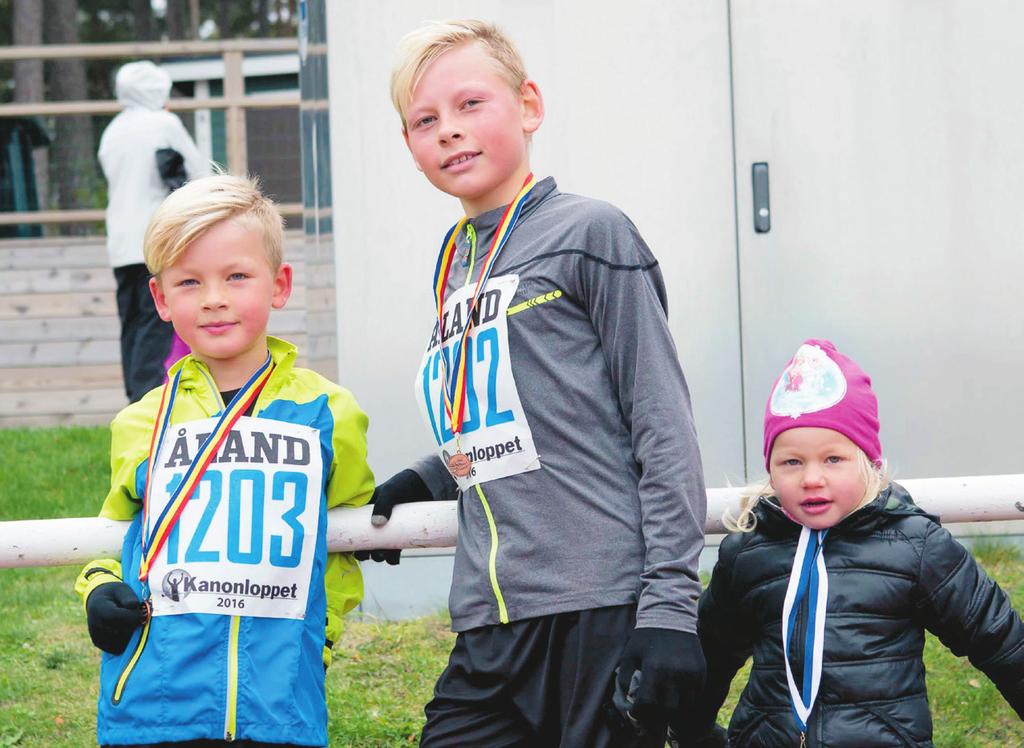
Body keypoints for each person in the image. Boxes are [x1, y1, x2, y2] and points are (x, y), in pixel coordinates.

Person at [364, 19, 708, 746]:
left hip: (599, 608)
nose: (450, 132)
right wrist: (436, 472)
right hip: (491, 620)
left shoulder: (593, 232)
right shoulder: (453, 261)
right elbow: (519, 420)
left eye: (470, 105)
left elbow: (661, 423)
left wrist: (671, 610)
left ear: (528, 106)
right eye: (426, 120)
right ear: (409, 146)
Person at [73, 174, 375, 747]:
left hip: (280, 705)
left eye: (237, 276)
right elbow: (112, 540)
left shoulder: (331, 412)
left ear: (279, 284)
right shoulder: (141, 422)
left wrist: (321, 638)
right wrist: (96, 591)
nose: (214, 298)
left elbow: (346, 541)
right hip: (154, 707)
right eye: (189, 282)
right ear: (161, 299)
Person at [670, 339, 1024, 747]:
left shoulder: (915, 545)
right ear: (770, 467)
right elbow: (707, 660)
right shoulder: (747, 553)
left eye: (833, 459)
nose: (812, 478)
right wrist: (691, 732)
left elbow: (1003, 641)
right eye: (792, 462)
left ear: (868, 462)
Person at [98, 60, 210, 402]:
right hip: (156, 240)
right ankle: (148, 404)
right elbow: (201, 173)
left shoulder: (112, 131)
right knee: (155, 325)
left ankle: (134, 399)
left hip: (120, 243)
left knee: (131, 325)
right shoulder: (165, 123)